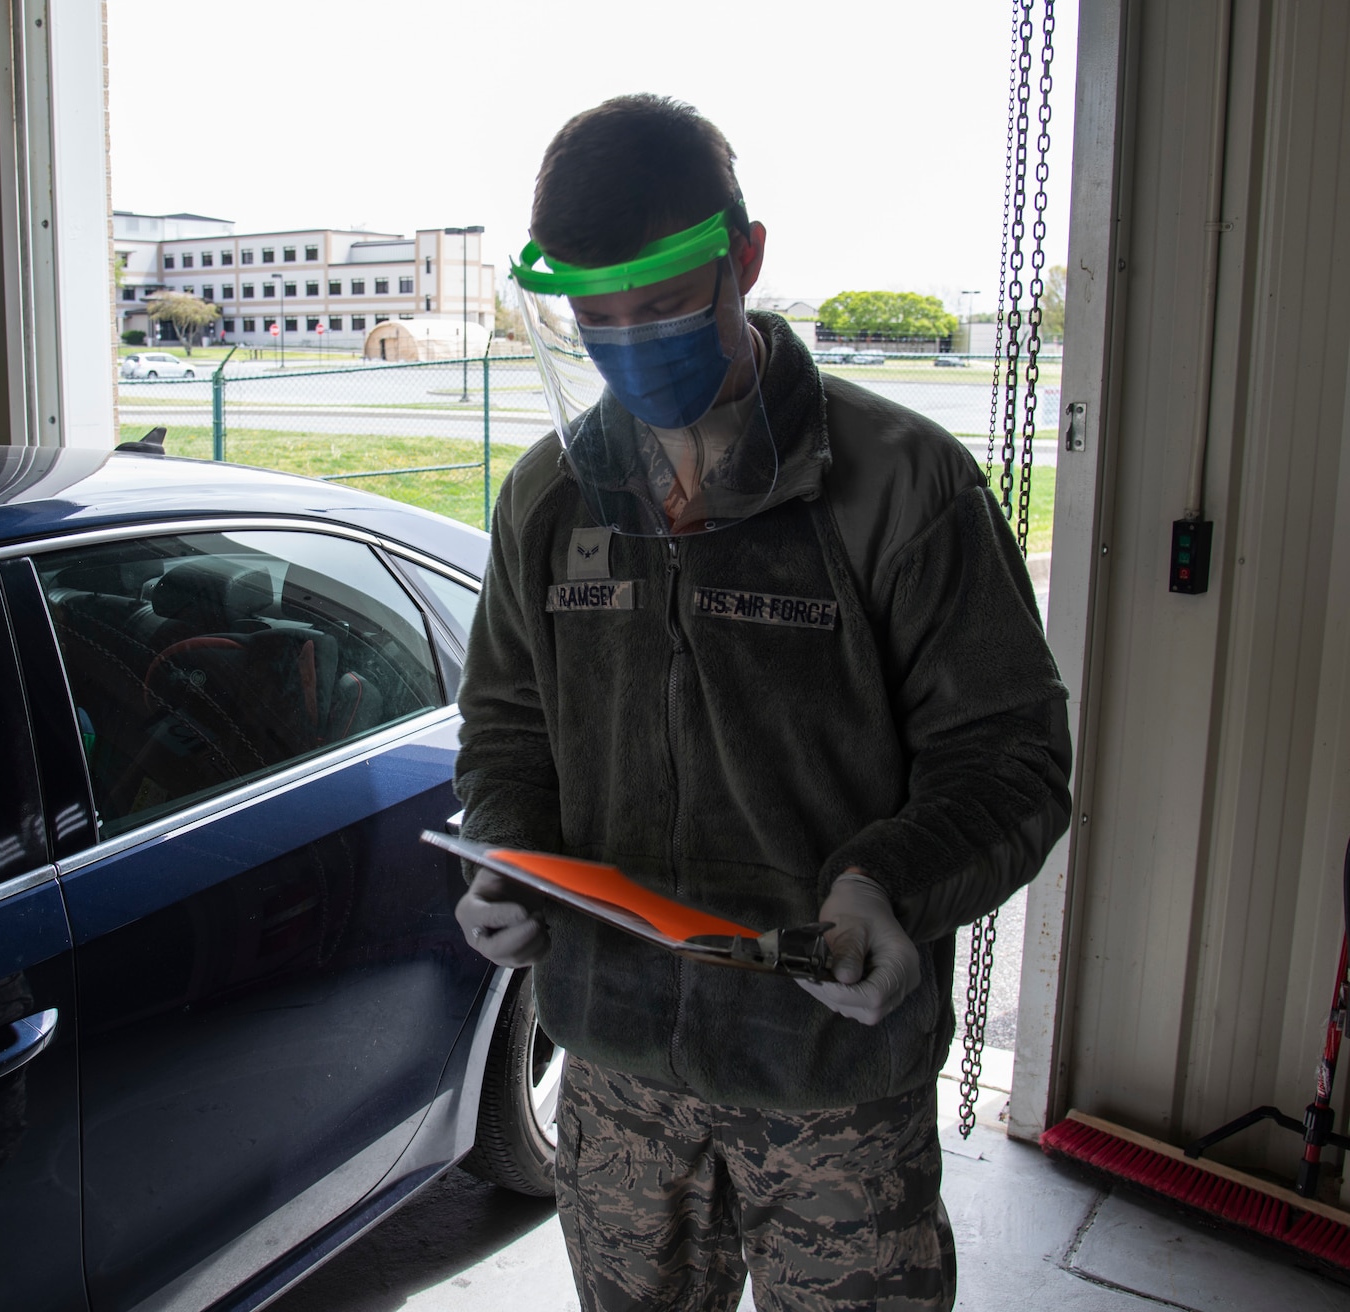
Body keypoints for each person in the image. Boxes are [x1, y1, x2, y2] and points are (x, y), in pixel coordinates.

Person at [454, 95, 1070, 1311]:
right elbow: (507, 725)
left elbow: (1009, 755)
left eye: (667, 307)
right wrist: (504, 854)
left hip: (828, 1074)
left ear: (743, 257)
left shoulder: (895, 484)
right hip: (619, 1069)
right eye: (599, 319)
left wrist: (884, 883)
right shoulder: (552, 498)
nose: (632, 345)